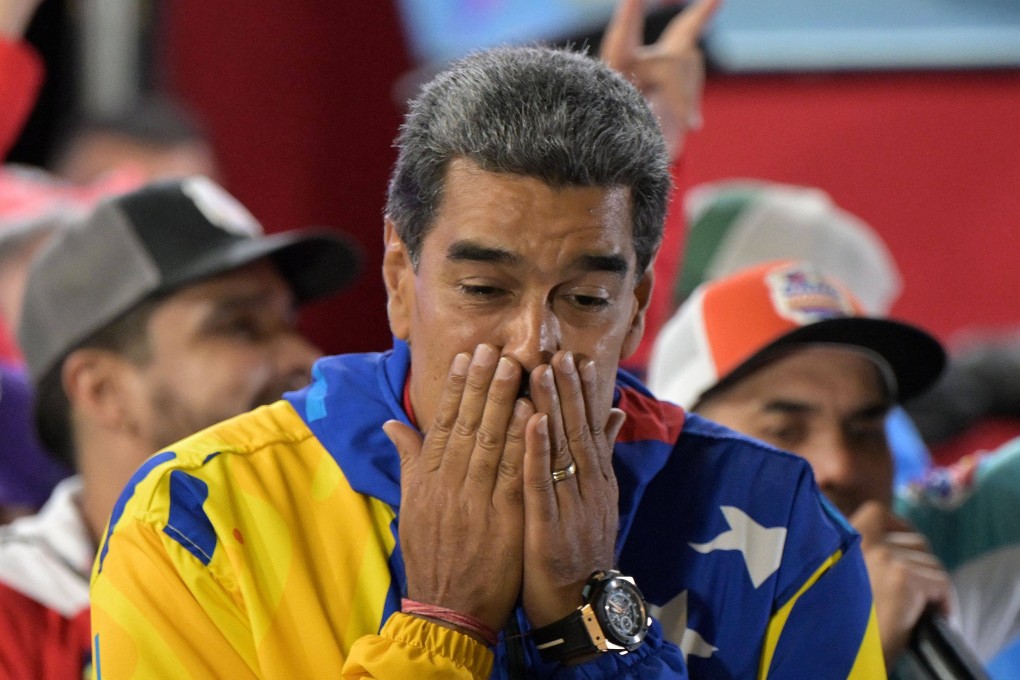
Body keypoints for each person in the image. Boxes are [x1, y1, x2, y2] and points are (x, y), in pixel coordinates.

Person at [91, 22, 884, 680]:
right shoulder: (198, 518)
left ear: (637, 307)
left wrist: (588, 617)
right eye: (484, 290)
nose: (532, 343)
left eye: (583, 300)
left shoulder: (783, 524)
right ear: (402, 280)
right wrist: (443, 626)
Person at [0, 176, 360, 678]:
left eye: (289, 324)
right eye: (240, 327)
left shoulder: (359, 549)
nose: (309, 360)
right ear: (103, 391)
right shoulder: (14, 611)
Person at [646, 259, 955, 669]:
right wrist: (846, 649)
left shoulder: (928, 595)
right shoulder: (599, 607)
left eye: (864, 431)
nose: (839, 467)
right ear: (682, 447)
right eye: (785, 430)